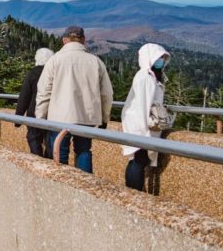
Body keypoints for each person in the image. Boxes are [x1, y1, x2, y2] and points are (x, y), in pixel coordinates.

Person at [35, 26, 114, 173]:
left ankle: (61, 186)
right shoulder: (95, 61)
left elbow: (44, 91)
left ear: (64, 40)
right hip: (87, 117)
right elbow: (107, 94)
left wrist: (40, 117)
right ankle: (87, 186)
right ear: (83, 40)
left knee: (60, 152)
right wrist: (104, 118)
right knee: (84, 151)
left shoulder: (54, 60)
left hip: (59, 117)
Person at [120, 44, 173, 191]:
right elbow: (143, 105)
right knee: (138, 160)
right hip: (140, 125)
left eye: (163, 57)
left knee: (137, 159)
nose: (162, 60)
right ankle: (134, 192)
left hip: (140, 123)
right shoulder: (145, 78)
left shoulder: (150, 76)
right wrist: (149, 124)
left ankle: (132, 191)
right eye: (159, 57)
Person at [15, 48, 55, 157]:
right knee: (50, 140)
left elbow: (24, 97)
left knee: (33, 138)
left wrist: (18, 118)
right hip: (51, 113)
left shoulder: (32, 73)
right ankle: (49, 161)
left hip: (34, 113)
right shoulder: (54, 73)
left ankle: (37, 158)